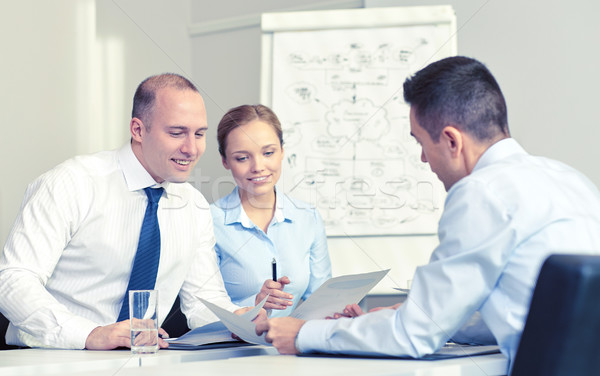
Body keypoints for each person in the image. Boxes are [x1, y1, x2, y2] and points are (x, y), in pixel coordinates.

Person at [255, 56, 600, 372]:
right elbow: (525, 312)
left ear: (451, 141)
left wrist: (304, 333)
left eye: (421, 142)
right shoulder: (571, 180)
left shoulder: (481, 192)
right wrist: (423, 314)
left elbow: (414, 336)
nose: (423, 159)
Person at [0, 73, 255, 350]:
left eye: (199, 134)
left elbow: (203, 298)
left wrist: (236, 321)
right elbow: (13, 279)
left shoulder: (194, 206)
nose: (191, 149)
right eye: (176, 132)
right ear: (137, 130)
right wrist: (90, 334)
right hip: (50, 356)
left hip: (140, 358)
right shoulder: (71, 182)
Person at [210, 104, 331, 317]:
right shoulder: (209, 221)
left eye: (268, 153)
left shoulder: (308, 217)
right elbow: (200, 306)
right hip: (231, 346)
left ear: (282, 151)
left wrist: (339, 312)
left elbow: (322, 300)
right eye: (242, 158)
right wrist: (255, 304)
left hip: (289, 346)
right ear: (225, 161)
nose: (258, 166)